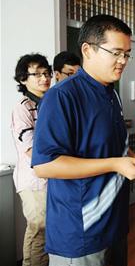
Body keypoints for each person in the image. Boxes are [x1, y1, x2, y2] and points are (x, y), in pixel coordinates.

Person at [31, 14, 135, 266]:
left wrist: (134, 161)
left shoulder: (112, 93)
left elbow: (112, 148)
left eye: (127, 54)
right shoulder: (62, 97)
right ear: (87, 49)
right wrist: (115, 165)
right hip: (80, 230)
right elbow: (45, 165)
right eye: (116, 53)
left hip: (114, 221)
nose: (123, 61)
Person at [11, 53, 52, 266]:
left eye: (46, 73)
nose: (44, 78)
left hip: (53, 175)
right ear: (23, 79)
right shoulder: (23, 107)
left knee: (49, 229)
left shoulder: (52, 102)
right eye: (36, 74)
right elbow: (31, 148)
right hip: (33, 180)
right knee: (39, 227)